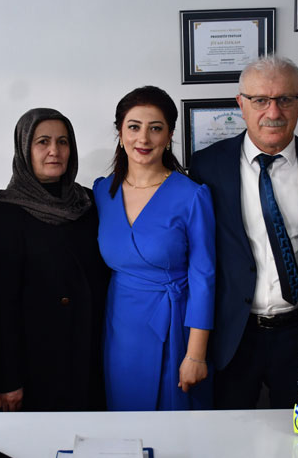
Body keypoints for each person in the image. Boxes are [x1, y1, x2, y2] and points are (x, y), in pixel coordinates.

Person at [190, 55, 298, 409]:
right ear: (241, 104)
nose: (273, 111)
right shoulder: (207, 165)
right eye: (260, 100)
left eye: (285, 99)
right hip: (234, 333)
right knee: (230, 429)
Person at [93, 86, 215, 411]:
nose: (143, 138)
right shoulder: (102, 192)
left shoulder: (192, 195)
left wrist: (196, 354)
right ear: (120, 133)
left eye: (155, 128)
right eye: (134, 127)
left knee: (173, 427)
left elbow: (204, 278)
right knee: (124, 420)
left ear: (169, 135)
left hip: (175, 327)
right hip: (119, 329)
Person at [0, 108, 107, 412]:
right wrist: (9, 378)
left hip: (91, 350)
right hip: (38, 359)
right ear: (24, 149)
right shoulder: (5, 212)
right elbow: (2, 304)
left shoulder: (89, 202)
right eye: (42, 142)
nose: (54, 150)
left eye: (63, 141)